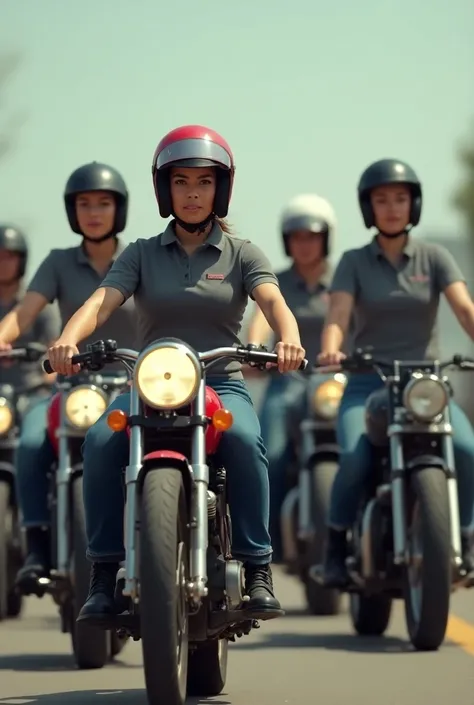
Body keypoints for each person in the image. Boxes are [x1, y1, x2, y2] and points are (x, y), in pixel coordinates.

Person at [46, 124, 306, 621]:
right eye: (182, 182)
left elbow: (274, 301)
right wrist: (67, 339)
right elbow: (102, 302)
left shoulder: (242, 253)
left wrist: (288, 338)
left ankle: (257, 568)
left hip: (220, 382)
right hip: (149, 384)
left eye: (204, 182)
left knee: (248, 442)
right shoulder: (141, 252)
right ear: (165, 189)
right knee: (100, 442)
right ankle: (102, 573)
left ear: (220, 189)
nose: (192, 193)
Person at [318, 158, 474, 587]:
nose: (391, 208)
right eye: (381, 200)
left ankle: (465, 536)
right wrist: (332, 350)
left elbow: (464, 309)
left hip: (426, 386)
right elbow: (338, 315)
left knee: (466, 447)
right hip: (369, 383)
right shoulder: (353, 261)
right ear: (369, 208)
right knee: (353, 458)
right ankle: (335, 547)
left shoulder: (434, 257)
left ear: (414, 204)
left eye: (400, 199)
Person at [0, 163, 137, 592]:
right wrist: (3, 338)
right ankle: (37, 546)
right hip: (69, 388)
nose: (94, 212)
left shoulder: (139, 257)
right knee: (29, 443)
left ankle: (162, 538)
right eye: (84, 204)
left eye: (103, 203)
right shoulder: (58, 263)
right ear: (71, 212)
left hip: (131, 388)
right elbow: (24, 313)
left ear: (120, 210)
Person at [247, 194, 336, 560]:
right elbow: (258, 324)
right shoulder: (275, 282)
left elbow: (357, 328)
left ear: (326, 238)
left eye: (312, 236)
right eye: (297, 236)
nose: (305, 243)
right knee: (271, 451)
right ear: (287, 241)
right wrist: (255, 349)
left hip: (335, 385)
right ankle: (265, 547)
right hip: (288, 383)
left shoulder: (342, 283)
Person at [0, 224, 60, 390]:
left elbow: (55, 346)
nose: (3, 264)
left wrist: (49, 378)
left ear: (22, 260)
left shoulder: (37, 304)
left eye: (9, 257)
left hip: (32, 391)